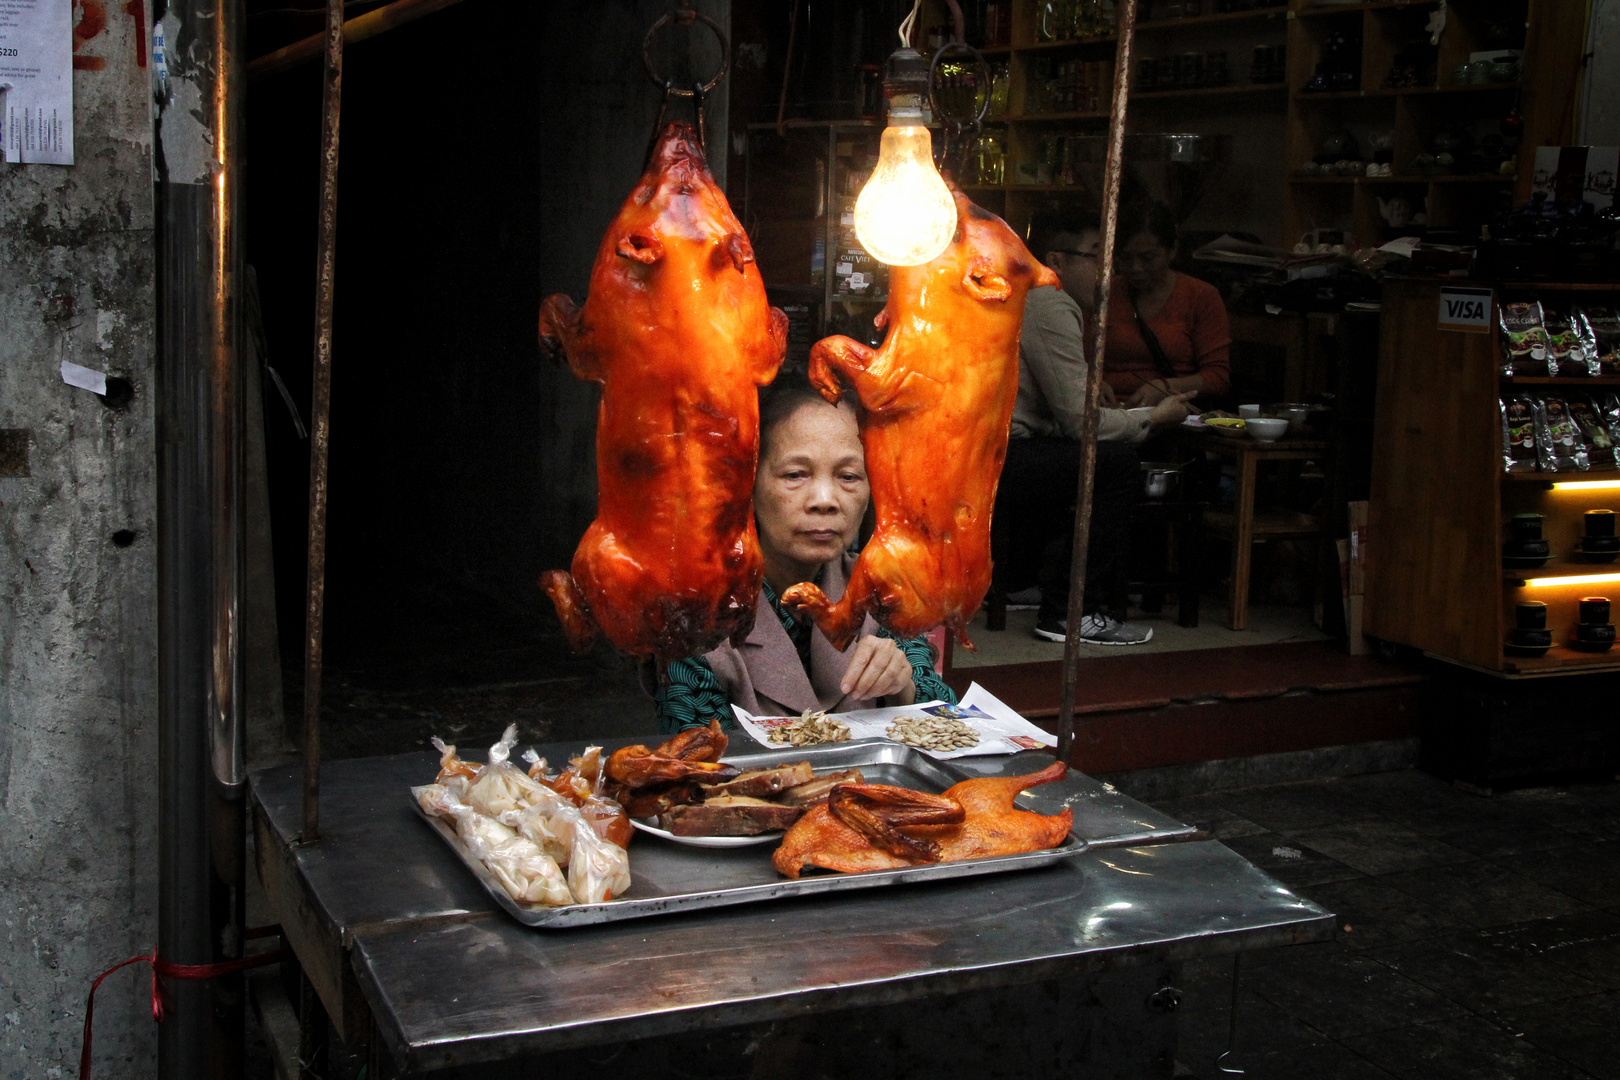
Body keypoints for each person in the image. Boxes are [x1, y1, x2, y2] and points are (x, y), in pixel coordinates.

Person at [655, 378, 957, 733]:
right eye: (796, 474)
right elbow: (694, 764)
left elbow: (949, 721)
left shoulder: (882, 590)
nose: (825, 500)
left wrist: (903, 688)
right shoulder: (697, 617)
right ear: (747, 483)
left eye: (848, 476)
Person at [996, 213, 1193, 646]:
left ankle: (1022, 578)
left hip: (991, 451)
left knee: (1070, 455)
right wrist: (1154, 417)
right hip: (996, 457)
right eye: (1094, 257)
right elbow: (1080, 423)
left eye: (1109, 259)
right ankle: (1071, 611)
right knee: (1116, 464)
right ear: (1056, 260)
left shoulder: (1032, 296)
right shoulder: (1048, 301)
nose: (1107, 272)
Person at [1101, 200, 1232, 407]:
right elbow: (1078, 361)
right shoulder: (1105, 293)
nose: (1135, 268)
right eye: (1125, 258)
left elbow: (1217, 378)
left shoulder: (1201, 296)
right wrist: (1093, 384)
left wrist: (1166, 387)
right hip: (1110, 416)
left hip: (1172, 416)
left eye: (1148, 258)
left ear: (1172, 250)